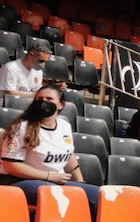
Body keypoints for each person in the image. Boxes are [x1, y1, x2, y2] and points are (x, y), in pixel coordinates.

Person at [1, 84, 100, 213]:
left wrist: (80, 181)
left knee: (97, 194)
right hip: (17, 180)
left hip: (53, 181)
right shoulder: (21, 127)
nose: (43, 102)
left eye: (49, 99)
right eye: (40, 99)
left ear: (61, 105)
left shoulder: (64, 125)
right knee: (57, 193)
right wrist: (48, 176)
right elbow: (11, 165)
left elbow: (69, 155)